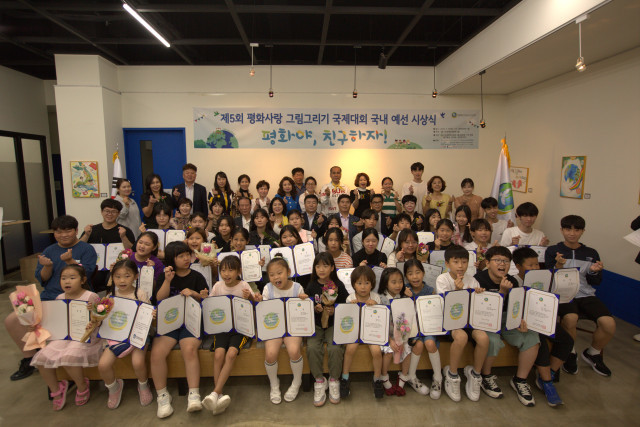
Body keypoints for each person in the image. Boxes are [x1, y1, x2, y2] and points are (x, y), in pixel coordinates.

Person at [545, 215, 615, 377]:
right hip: (563, 294)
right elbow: (548, 278)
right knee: (570, 318)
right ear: (561, 230)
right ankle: (570, 352)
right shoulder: (553, 251)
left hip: (585, 294)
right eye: (568, 229)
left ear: (583, 231)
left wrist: (594, 271)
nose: (572, 233)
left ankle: (593, 353)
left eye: (577, 230)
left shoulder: (591, 253)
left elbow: (596, 281)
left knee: (609, 323)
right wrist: (558, 265)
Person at [474, 246, 540, 407]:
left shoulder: (513, 281)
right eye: (497, 260)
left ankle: (520, 380)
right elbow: (483, 309)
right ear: (487, 263)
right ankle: (486, 376)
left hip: (507, 319)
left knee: (532, 337)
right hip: (485, 319)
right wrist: (502, 292)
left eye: (506, 261)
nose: (502, 264)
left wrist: (521, 321)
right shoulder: (478, 279)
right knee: (492, 340)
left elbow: (516, 307)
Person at [30, 264, 103, 410]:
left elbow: (101, 320)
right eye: (63, 278)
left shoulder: (91, 296)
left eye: (72, 278)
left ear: (83, 280)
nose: (67, 281)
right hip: (65, 336)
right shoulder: (59, 297)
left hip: (86, 337)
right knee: (42, 357)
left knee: (69, 356)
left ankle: (82, 386)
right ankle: (57, 390)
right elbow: (58, 320)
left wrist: (93, 317)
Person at [151, 241, 207, 418]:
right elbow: (159, 299)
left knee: (189, 349)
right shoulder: (165, 276)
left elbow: (206, 300)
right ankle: (162, 396)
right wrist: (167, 281)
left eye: (187, 255)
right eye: (180, 256)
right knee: (157, 353)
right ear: (171, 259)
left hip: (191, 321)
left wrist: (195, 294)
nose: (186, 259)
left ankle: (194, 394)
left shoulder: (197, 276)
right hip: (170, 322)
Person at [201, 256, 260, 415]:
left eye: (231, 270)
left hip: (241, 329)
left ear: (239, 271)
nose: (226, 274)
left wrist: (250, 297)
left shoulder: (244, 285)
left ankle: (215, 393)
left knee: (231, 353)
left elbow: (254, 306)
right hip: (222, 328)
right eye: (223, 270)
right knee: (218, 354)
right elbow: (210, 306)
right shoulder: (218, 286)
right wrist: (205, 298)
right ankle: (218, 396)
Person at [513, 247, 568, 407]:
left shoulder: (542, 279)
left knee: (566, 340)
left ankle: (549, 373)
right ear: (518, 266)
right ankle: (548, 382)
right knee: (540, 342)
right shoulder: (513, 281)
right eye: (530, 265)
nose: (535, 268)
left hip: (543, 318)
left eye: (537, 264)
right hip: (526, 323)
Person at [98, 259, 154, 409]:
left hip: (137, 337)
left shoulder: (140, 294)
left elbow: (147, 317)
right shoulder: (110, 297)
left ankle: (143, 385)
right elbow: (105, 320)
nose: (122, 280)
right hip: (115, 338)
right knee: (103, 365)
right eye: (117, 276)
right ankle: (114, 388)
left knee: (138, 362)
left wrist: (151, 315)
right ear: (112, 278)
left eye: (127, 276)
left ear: (136, 276)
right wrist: (97, 316)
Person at [435, 245, 489, 403]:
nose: (460, 266)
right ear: (447, 263)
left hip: (469, 320)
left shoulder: (472, 280)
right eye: (456, 262)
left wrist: (479, 294)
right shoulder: (442, 279)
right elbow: (446, 306)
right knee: (461, 337)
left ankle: (475, 374)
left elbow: (477, 306)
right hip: (449, 320)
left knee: (484, 338)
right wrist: (457, 291)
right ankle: (452, 375)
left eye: (464, 262)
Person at [260, 255, 308, 404]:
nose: (276, 277)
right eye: (271, 275)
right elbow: (264, 312)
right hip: (274, 326)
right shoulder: (267, 289)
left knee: (294, 350)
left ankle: (297, 382)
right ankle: (274, 384)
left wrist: (303, 301)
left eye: (279, 273)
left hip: (293, 326)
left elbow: (302, 311)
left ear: (288, 272)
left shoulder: (297, 288)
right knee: (270, 354)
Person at [305, 253, 349, 406]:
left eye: (325, 266)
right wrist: (315, 309)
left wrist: (334, 310)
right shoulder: (311, 286)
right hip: (316, 325)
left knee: (335, 348)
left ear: (332, 268)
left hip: (333, 325)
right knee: (312, 347)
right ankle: (319, 380)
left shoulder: (338, 285)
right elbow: (305, 307)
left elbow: (345, 305)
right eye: (318, 266)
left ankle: (334, 379)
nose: (321, 269)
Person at [341, 266, 384, 398]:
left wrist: (375, 305)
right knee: (350, 349)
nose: (363, 287)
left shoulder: (376, 297)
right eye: (359, 283)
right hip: (355, 331)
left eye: (367, 283)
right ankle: (345, 377)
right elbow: (347, 320)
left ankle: (377, 379)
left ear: (372, 284)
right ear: (354, 284)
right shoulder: (350, 298)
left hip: (371, 331)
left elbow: (380, 318)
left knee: (377, 351)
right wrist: (351, 307)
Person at [403, 260, 443, 399]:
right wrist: (407, 298)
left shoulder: (430, 290)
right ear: (406, 276)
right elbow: (403, 315)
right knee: (418, 345)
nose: (414, 276)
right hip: (413, 329)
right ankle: (411, 376)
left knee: (430, 343)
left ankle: (438, 378)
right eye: (410, 273)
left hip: (428, 327)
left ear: (424, 273)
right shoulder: (405, 290)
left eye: (418, 272)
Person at [79, 198, 136, 292]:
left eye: (113, 211)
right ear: (102, 212)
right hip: (95, 268)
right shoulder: (92, 230)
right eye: (107, 211)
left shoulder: (125, 231)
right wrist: (86, 235)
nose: (110, 214)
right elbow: (79, 248)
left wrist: (123, 237)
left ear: (118, 213)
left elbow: (131, 250)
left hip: (117, 269)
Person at [377, 267, 412, 396]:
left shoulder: (403, 297)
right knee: (388, 352)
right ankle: (384, 376)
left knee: (407, 351)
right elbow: (380, 322)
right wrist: (390, 340)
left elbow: (407, 320)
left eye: (400, 281)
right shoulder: (380, 299)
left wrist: (401, 339)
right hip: (385, 335)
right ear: (385, 283)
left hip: (401, 335)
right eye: (393, 282)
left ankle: (403, 377)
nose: (398, 285)